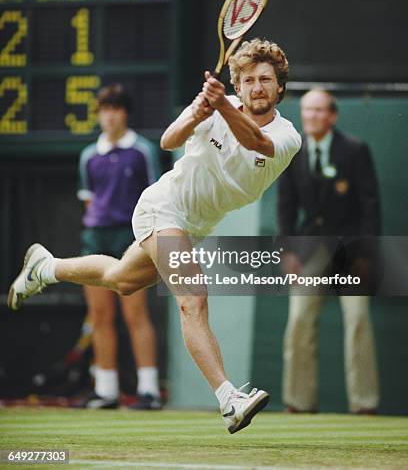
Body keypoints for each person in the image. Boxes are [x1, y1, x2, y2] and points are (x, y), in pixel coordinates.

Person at [8, 39, 302, 434]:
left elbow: (256, 143)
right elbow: (168, 141)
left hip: (195, 224)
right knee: (192, 298)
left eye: (265, 79)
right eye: (248, 80)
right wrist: (197, 113)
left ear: (279, 86)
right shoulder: (217, 108)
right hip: (162, 208)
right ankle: (229, 399)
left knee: (121, 280)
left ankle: (47, 267)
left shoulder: (287, 135)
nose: (257, 87)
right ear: (238, 86)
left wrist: (220, 108)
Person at [278, 89, 381, 414]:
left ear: (332, 116)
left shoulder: (355, 150)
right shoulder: (293, 152)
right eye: (307, 110)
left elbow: (370, 206)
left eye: (319, 110)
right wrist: (288, 251)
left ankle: (364, 404)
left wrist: (366, 255)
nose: (312, 116)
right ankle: (298, 402)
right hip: (309, 249)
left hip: (351, 250)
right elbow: (285, 208)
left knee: (358, 320)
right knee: (299, 322)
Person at [78, 84, 162, 409]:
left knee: (135, 314)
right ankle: (107, 390)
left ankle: (149, 391)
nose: (109, 116)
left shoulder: (142, 151)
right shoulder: (88, 157)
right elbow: (90, 203)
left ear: (124, 113)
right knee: (99, 314)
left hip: (131, 238)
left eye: (115, 109)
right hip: (96, 239)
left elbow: (156, 196)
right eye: (104, 109)